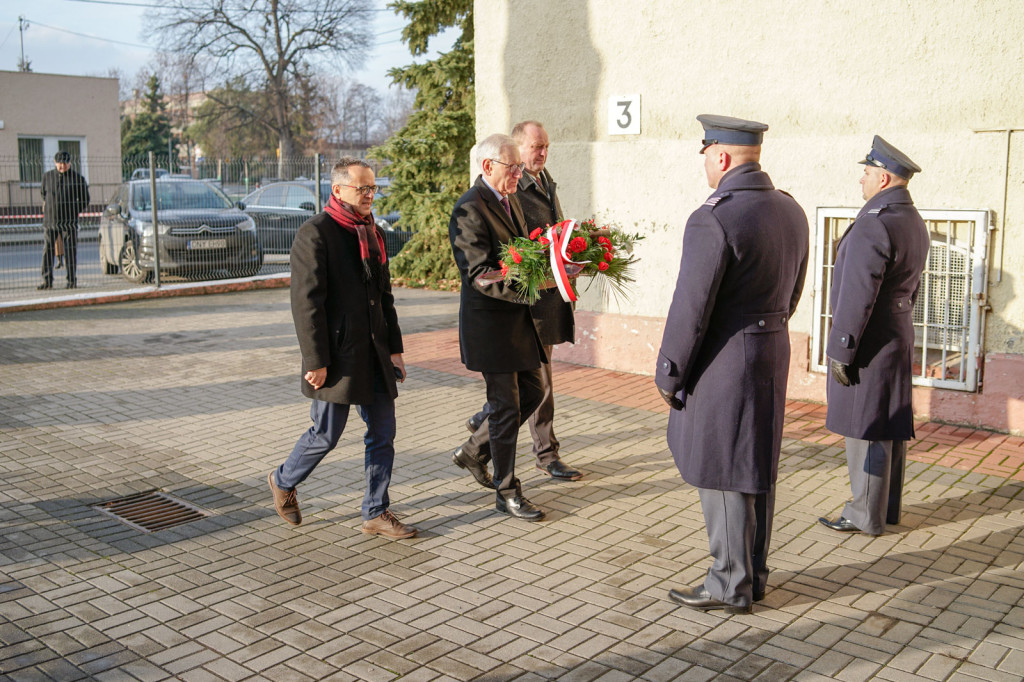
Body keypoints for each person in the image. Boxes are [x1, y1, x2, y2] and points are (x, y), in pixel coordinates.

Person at [655, 115, 809, 614]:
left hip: (726, 360)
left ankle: (728, 581)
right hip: (771, 348)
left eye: (705, 153)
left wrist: (669, 371)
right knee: (755, 464)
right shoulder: (790, 209)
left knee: (723, 469)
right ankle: (754, 573)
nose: (704, 162)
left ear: (720, 156)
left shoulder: (714, 215)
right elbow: (795, 289)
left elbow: (690, 307)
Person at [267, 156, 416, 540]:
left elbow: (384, 297)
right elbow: (306, 304)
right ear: (337, 189)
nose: (369, 195)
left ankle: (376, 511)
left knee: (383, 432)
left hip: (375, 353)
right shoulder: (315, 233)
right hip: (338, 356)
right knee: (326, 434)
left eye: (372, 188)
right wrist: (316, 360)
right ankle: (283, 480)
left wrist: (394, 348)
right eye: (362, 188)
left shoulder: (373, 233)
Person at [819, 136, 929, 536]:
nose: (861, 180)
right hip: (897, 331)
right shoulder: (911, 219)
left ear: (883, 178)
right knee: (889, 424)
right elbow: (912, 287)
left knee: (865, 427)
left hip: (868, 338)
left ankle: (864, 513)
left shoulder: (876, 221)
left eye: (866, 173)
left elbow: (856, 295)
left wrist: (842, 349)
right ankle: (888, 508)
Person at [464, 121, 583, 482]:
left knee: (529, 387)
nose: (542, 153)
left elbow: (551, 237)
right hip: (525, 302)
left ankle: (484, 426)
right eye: (535, 148)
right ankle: (542, 454)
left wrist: (579, 251)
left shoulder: (543, 182)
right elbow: (507, 257)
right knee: (534, 386)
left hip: (545, 296)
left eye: (546, 146)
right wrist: (546, 272)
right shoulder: (506, 194)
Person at [449, 133, 548, 521]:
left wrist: (554, 264)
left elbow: (520, 252)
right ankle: (506, 491)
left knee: (534, 389)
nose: (519, 174)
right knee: (506, 407)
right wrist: (531, 285)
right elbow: (479, 273)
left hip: (517, 323)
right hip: (490, 324)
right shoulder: (469, 208)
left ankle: (475, 448)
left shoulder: (511, 200)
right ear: (488, 166)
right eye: (513, 167)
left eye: (520, 167)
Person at [39, 150, 89, 290]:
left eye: (65, 163)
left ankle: (71, 280)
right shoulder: (47, 177)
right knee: (48, 250)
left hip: (69, 221)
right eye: (60, 163)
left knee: (70, 251)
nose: (62, 166)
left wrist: (73, 211)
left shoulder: (77, 178)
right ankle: (47, 281)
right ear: (55, 163)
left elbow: (85, 199)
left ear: (70, 163)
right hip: (51, 220)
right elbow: (43, 194)